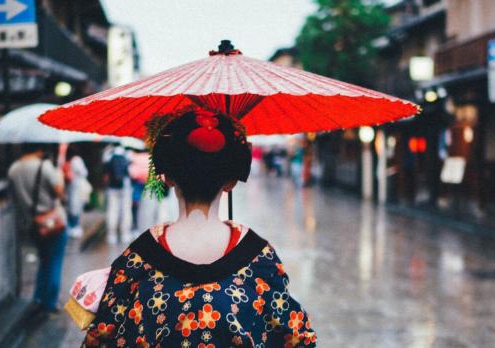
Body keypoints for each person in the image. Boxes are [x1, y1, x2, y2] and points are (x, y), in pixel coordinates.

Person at [75, 107, 316, 347]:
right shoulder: (259, 259)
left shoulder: (137, 261)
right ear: (231, 180)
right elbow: (298, 339)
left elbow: (100, 338)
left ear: (166, 176)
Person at [8, 144, 68, 312]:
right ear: (39, 148)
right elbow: (59, 193)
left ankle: (38, 297)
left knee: (43, 260)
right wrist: (60, 175)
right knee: (54, 262)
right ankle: (49, 303)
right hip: (53, 222)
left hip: (32, 223)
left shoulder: (14, 169)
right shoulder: (45, 166)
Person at [104, 145, 132, 244]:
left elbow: (106, 173)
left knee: (112, 210)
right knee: (126, 210)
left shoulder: (108, 155)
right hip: (125, 186)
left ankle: (112, 235)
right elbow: (130, 172)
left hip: (112, 187)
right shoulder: (127, 155)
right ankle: (125, 234)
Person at [64, 145, 90, 239]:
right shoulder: (76, 160)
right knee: (76, 207)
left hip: (73, 186)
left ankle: (73, 226)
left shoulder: (69, 160)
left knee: (73, 206)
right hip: (76, 186)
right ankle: (75, 226)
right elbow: (84, 172)